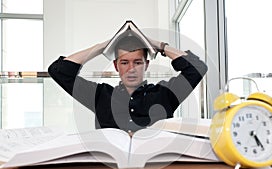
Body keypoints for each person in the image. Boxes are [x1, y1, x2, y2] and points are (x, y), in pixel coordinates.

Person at [48, 36, 208, 134]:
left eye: (137, 62)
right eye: (124, 62)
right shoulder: (100, 96)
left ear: (146, 65)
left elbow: (197, 69)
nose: (131, 69)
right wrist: (102, 47)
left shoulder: (165, 94)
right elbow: (58, 71)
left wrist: (160, 46)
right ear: (116, 66)